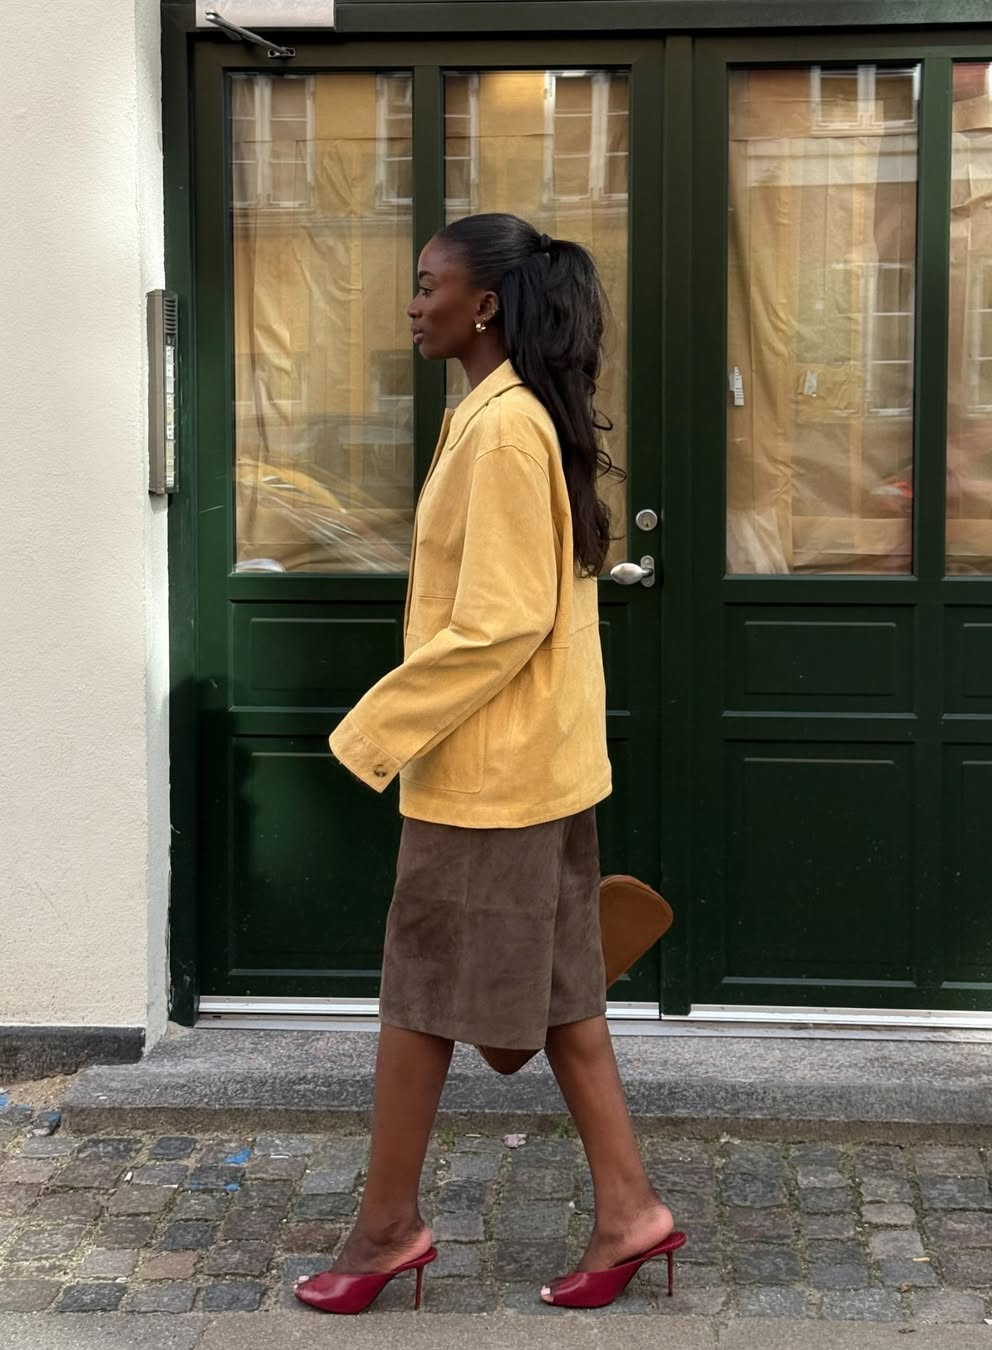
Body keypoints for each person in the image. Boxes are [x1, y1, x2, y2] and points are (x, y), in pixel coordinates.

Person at [294, 212, 684, 1315]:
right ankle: (630, 1213)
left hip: (491, 781)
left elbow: (503, 619)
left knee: (420, 995)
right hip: (528, 768)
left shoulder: (504, 429)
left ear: (487, 306)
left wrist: (375, 730)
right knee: (564, 1002)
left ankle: (386, 1230)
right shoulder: (498, 415)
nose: (414, 303)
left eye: (429, 284)